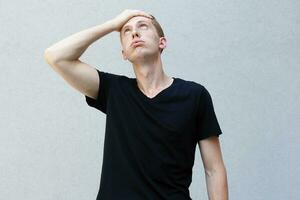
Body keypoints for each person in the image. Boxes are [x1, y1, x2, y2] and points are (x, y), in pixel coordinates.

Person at [44, 9, 228, 200]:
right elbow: (55, 56)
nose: (135, 33)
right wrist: (113, 24)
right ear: (124, 53)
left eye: (143, 26)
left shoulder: (194, 95)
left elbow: (213, 170)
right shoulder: (113, 90)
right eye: (126, 31)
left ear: (161, 42)